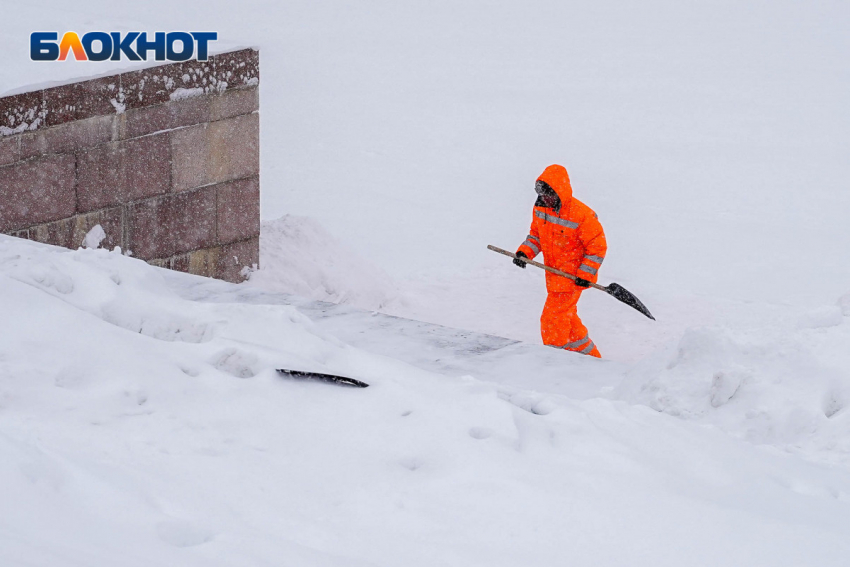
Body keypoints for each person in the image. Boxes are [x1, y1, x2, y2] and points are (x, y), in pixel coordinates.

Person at [513, 164, 606, 358]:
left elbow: (597, 247)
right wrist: (524, 253)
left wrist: (585, 274)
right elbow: (536, 236)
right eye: (541, 193)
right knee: (568, 321)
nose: (544, 198)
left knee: (553, 321)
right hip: (553, 277)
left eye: (548, 194)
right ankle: (591, 357)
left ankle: (554, 360)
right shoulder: (540, 209)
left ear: (559, 192)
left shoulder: (582, 215)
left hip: (571, 280)